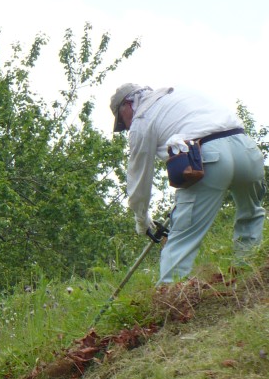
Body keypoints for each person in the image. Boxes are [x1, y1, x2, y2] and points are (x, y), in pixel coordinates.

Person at [110, 83, 266, 285]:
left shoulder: (142, 119)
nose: (127, 127)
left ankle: (170, 301)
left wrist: (142, 221)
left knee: (182, 239)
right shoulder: (178, 94)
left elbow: (139, 179)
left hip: (207, 159)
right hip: (246, 150)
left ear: (129, 104)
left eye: (123, 121)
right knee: (251, 214)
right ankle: (247, 280)